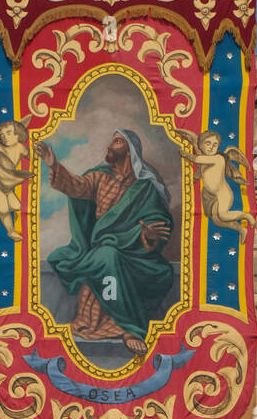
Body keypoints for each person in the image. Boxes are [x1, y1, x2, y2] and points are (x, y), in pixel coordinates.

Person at [37, 128, 174, 356]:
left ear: (129, 151)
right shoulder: (99, 177)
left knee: (126, 262)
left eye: (117, 142)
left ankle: (127, 327)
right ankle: (124, 328)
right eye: (111, 141)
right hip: (104, 248)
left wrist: (149, 235)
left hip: (135, 252)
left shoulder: (145, 188)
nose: (110, 146)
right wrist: (54, 166)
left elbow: (157, 221)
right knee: (107, 257)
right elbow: (78, 186)